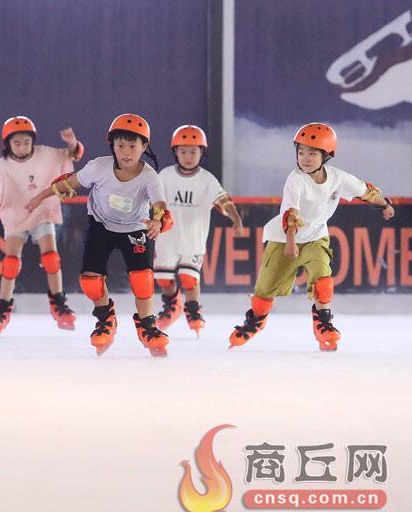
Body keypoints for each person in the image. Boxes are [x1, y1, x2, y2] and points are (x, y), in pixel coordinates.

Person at [229, 122, 395, 351]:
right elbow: (291, 213)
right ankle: (255, 321)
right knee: (265, 289)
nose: (305, 158)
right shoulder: (295, 179)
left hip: (316, 237)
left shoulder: (338, 178)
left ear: (327, 156)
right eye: (301, 152)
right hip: (284, 239)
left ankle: (323, 323)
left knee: (323, 278)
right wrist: (290, 242)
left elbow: (364, 191)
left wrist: (385, 204)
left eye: (312, 153)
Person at [26, 113, 173, 356]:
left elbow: (160, 205)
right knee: (91, 281)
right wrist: (40, 197)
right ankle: (105, 319)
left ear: (144, 146)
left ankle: (148, 327)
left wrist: (158, 220)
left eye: (132, 146)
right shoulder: (99, 167)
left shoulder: (149, 177)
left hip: (135, 229)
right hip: (101, 226)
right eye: (120, 145)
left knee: (142, 280)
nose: (126, 152)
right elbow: (69, 183)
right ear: (112, 145)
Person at [0, 116, 84, 335]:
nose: (22, 147)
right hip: (15, 215)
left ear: (32, 141)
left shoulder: (44, 153)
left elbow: (69, 154)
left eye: (26, 142)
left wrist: (72, 142)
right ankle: (2, 309)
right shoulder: (4, 164)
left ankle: (59, 304)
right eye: (17, 143)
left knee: (51, 258)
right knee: (10, 263)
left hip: (42, 211)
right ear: (8, 143)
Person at [154, 125, 244, 336]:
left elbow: (224, 200)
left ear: (202, 152)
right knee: (164, 279)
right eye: (183, 151)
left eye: (193, 151)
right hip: (166, 238)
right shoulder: (165, 176)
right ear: (175, 152)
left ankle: (193, 310)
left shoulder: (207, 180)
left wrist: (237, 219)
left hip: (193, 239)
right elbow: (152, 199)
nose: (188, 156)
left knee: (189, 278)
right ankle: (173, 304)